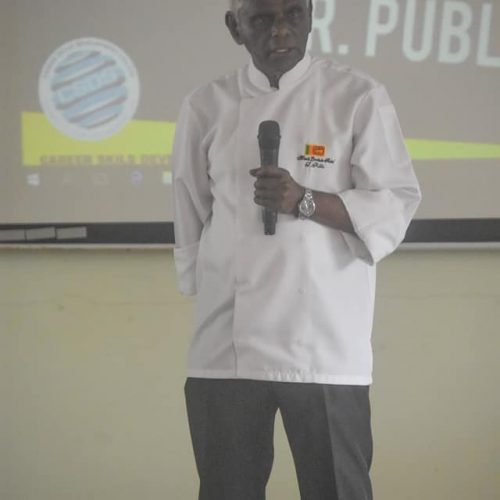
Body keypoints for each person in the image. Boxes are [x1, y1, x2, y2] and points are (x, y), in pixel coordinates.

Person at [172, 0, 421, 498]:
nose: (281, 30)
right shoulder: (206, 105)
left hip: (324, 344)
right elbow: (190, 212)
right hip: (227, 347)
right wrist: (209, 285)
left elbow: (394, 201)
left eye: (294, 14)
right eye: (262, 19)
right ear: (235, 27)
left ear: (311, 16)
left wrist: (304, 200)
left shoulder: (356, 96)